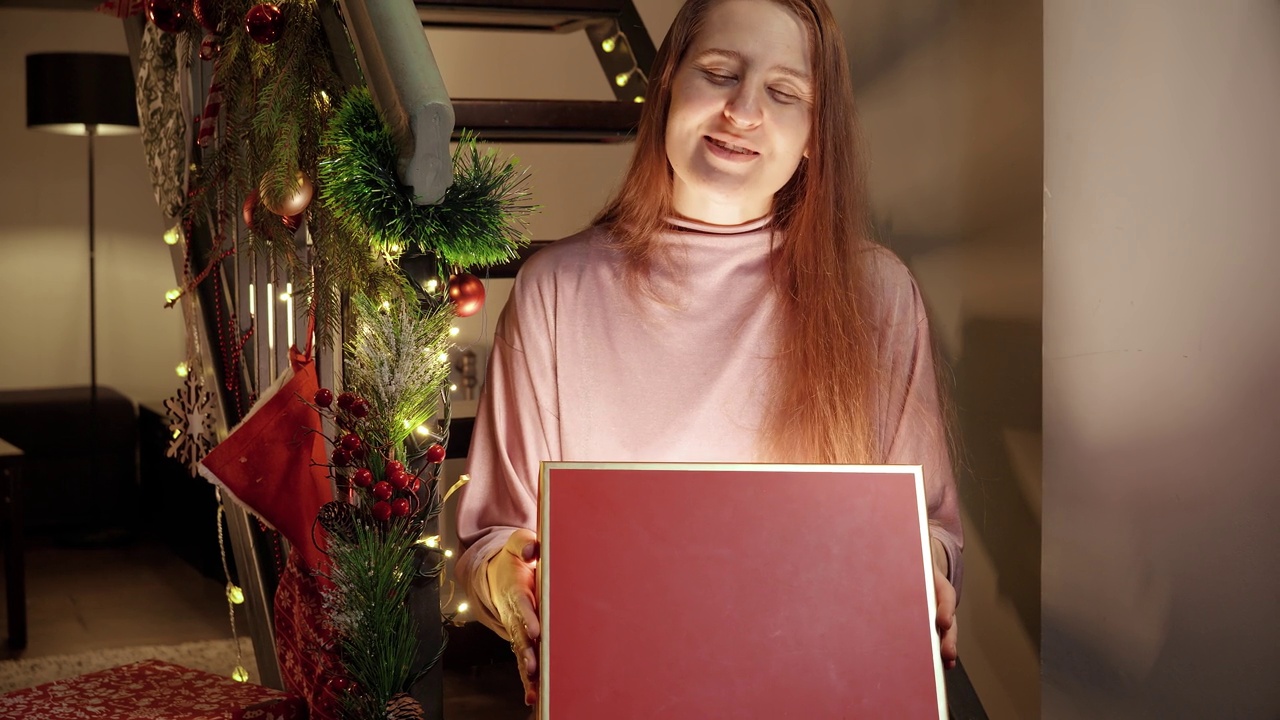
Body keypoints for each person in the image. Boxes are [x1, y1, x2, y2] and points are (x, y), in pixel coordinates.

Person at [455, 0, 963, 706]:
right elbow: (495, 536)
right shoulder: (555, 291)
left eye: (784, 93)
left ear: (816, 133)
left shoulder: (877, 294)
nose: (743, 111)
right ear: (666, 86)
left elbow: (931, 527)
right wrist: (513, 586)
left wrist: (923, 570)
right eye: (720, 73)